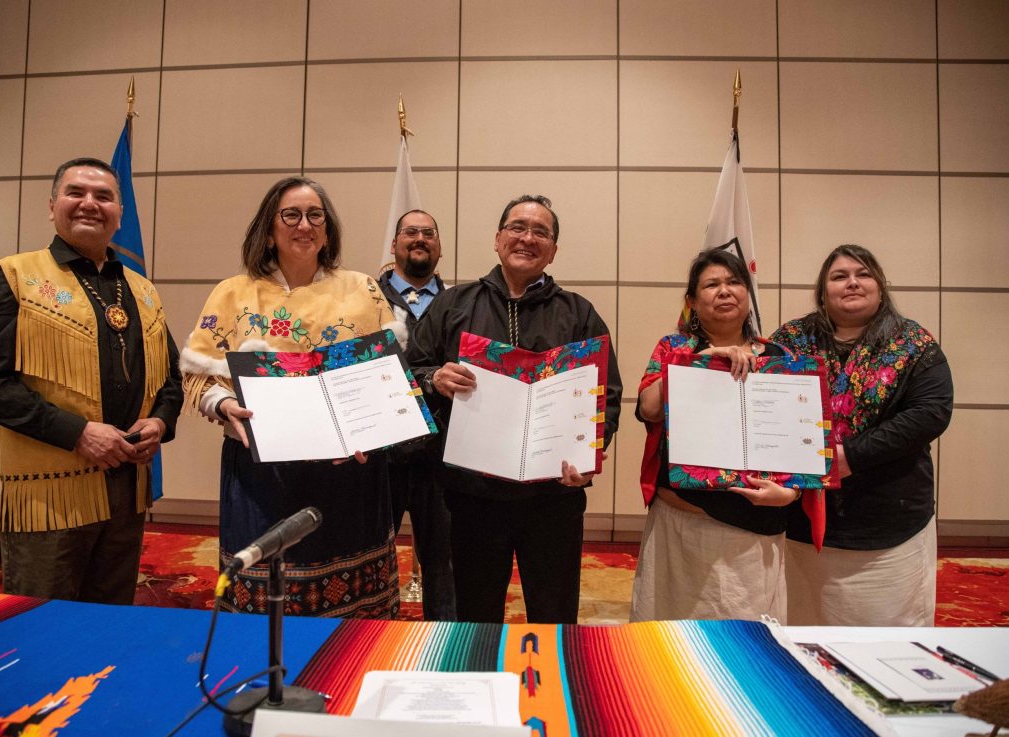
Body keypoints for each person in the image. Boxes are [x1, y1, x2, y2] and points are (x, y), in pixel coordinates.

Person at [180, 176, 405, 617]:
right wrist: (224, 405)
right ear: (269, 230)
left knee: (356, 615)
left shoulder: (363, 288)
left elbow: (388, 377)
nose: (304, 225)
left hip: (351, 470)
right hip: (264, 474)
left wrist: (374, 429)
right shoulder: (233, 292)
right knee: (263, 602)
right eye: (291, 215)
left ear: (328, 228)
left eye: (315, 215)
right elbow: (198, 374)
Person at [0, 157, 183, 604]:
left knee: (111, 622)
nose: (89, 204)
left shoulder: (143, 290)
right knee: (41, 623)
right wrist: (78, 433)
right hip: (49, 495)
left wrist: (159, 423)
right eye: (76, 192)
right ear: (52, 206)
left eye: (104, 196)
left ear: (120, 213)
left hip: (126, 491)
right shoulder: (10, 277)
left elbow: (170, 379)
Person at [407, 194, 622, 624]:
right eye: (518, 227)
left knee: (555, 614)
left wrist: (587, 457)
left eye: (540, 232)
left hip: (554, 497)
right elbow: (410, 373)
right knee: (475, 614)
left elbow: (607, 397)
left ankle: (553, 690)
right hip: (472, 496)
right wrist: (434, 379)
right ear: (498, 239)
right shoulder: (453, 305)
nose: (527, 238)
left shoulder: (579, 314)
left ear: (554, 249)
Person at [771, 244, 952, 626]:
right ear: (822, 292)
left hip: (887, 523)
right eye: (839, 277)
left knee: (884, 639)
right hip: (802, 522)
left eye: (863, 274)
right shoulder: (789, 340)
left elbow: (929, 414)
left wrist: (848, 457)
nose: (852, 282)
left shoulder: (913, 344)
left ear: (881, 287)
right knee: (805, 630)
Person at [631, 248, 802, 623]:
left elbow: (797, 445)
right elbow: (648, 408)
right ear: (692, 301)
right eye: (711, 284)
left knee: (747, 643)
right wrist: (702, 361)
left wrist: (791, 492)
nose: (724, 291)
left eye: (734, 282)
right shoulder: (675, 348)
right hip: (681, 523)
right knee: (667, 639)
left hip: (752, 529)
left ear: (748, 294)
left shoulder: (780, 358)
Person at [378, 209, 456, 620]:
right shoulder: (362, 300)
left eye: (429, 232)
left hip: (441, 458)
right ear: (394, 245)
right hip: (378, 456)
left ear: (439, 247)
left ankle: (448, 651)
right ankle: (369, 645)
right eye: (410, 232)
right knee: (371, 563)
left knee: (446, 568)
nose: (420, 238)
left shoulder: (462, 304)